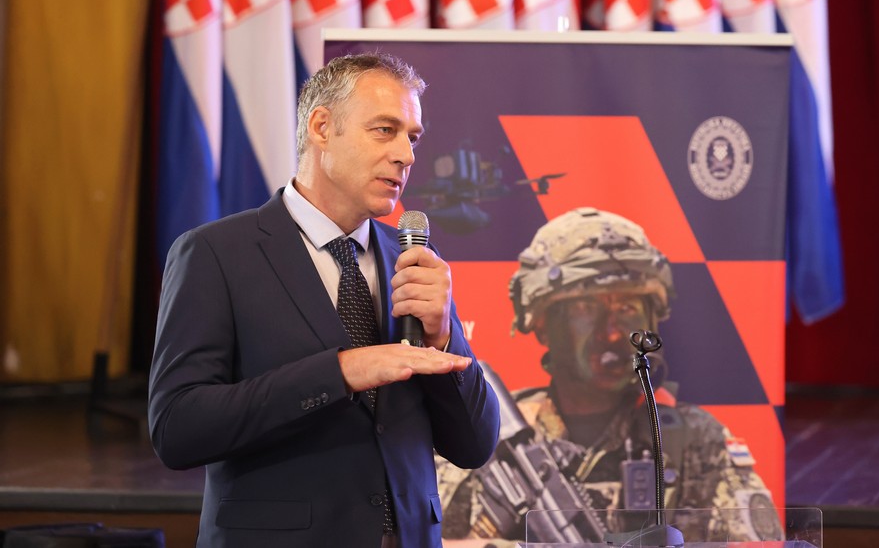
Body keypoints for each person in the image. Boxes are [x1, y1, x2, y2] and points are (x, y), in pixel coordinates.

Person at [148, 52, 500, 547]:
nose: (406, 155)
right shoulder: (214, 254)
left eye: (413, 137)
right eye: (385, 130)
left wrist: (442, 339)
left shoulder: (414, 260)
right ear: (321, 127)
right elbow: (178, 428)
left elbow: (475, 445)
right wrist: (339, 372)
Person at [437, 207, 781, 543]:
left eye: (628, 308)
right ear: (541, 323)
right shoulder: (489, 427)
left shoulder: (693, 440)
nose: (613, 332)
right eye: (586, 308)